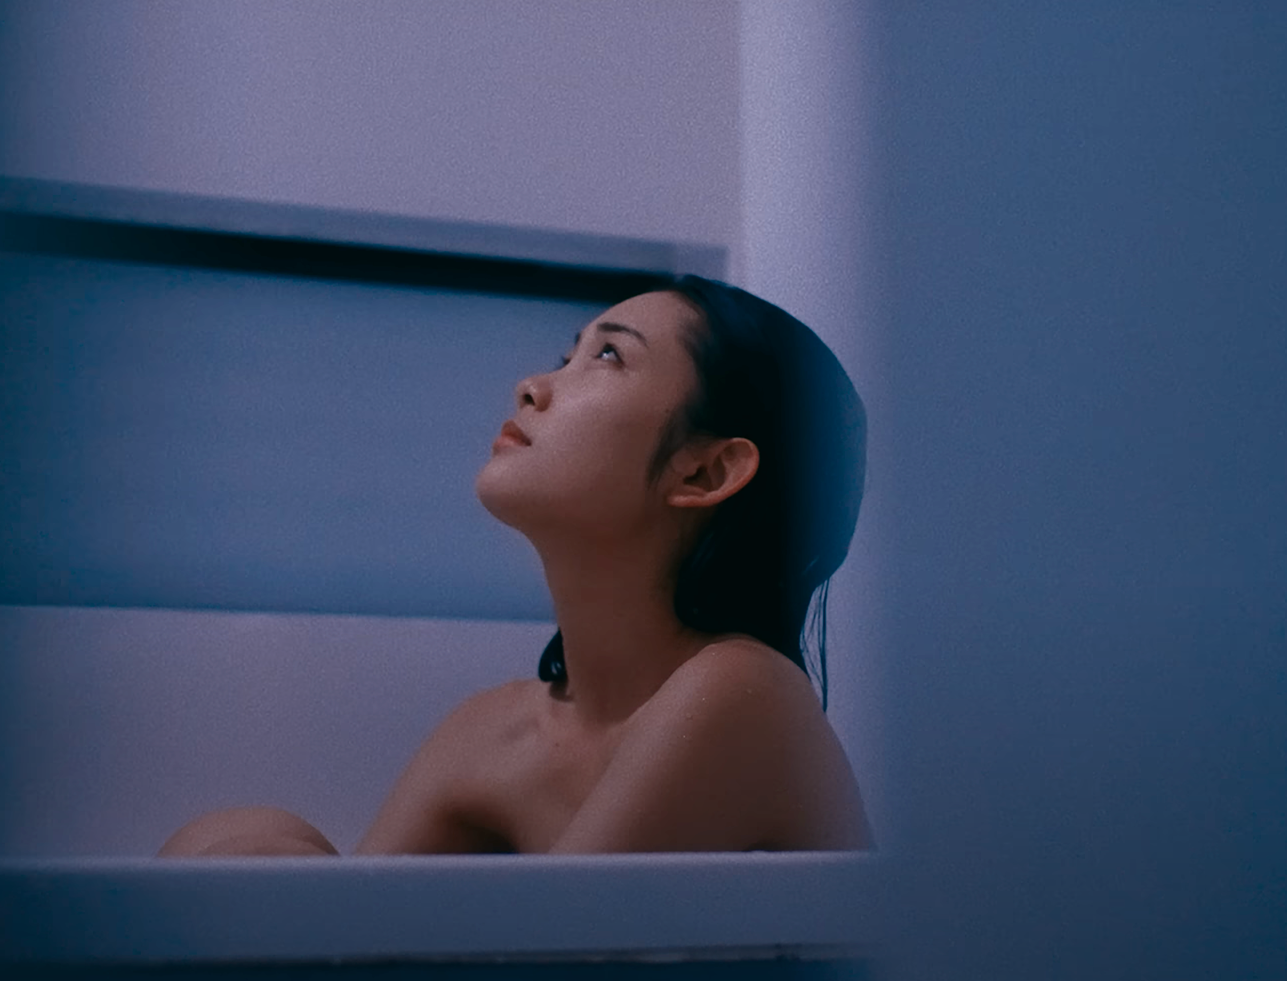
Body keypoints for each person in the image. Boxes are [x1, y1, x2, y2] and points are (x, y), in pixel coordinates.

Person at [159, 276, 872, 855]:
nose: (532, 385)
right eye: (569, 353)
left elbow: (562, 960)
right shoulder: (495, 731)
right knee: (243, 839)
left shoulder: (746, 694)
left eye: (608, 357)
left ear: (706, 471)